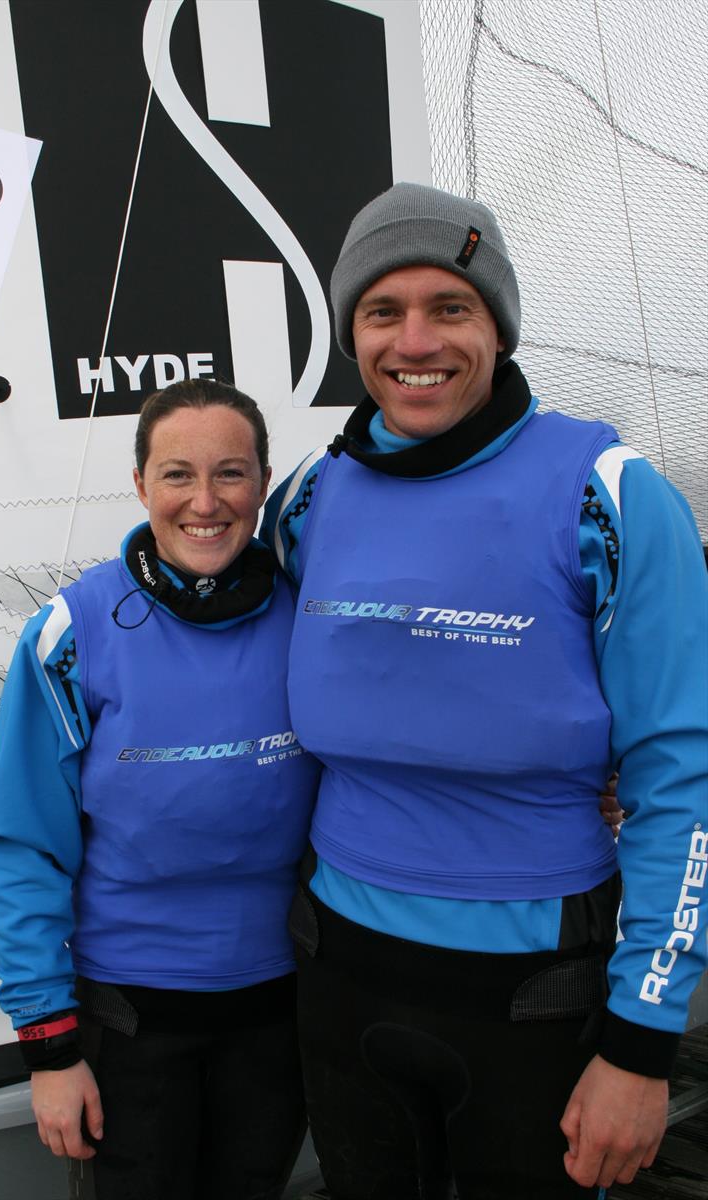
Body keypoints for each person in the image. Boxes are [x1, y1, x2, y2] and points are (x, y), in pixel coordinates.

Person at [263, 183, 708, 1199]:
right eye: (383, 311)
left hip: (531, 995)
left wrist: (639, 1048)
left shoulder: (610, 493)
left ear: (497, 328)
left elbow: (679, 778)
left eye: (449, 308)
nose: (414, 341)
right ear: (350, 332)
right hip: (340, 973)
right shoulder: (309, 495)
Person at [0, 380, 319, 1200]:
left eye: (231, 474)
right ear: (139, 485)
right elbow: (23, 845)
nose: (205, 502)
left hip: (280, 1013)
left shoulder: (311, 617)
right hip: (128, 1019)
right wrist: (52, 1051)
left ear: (262, 485)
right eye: (177, 475)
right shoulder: (73, 632)